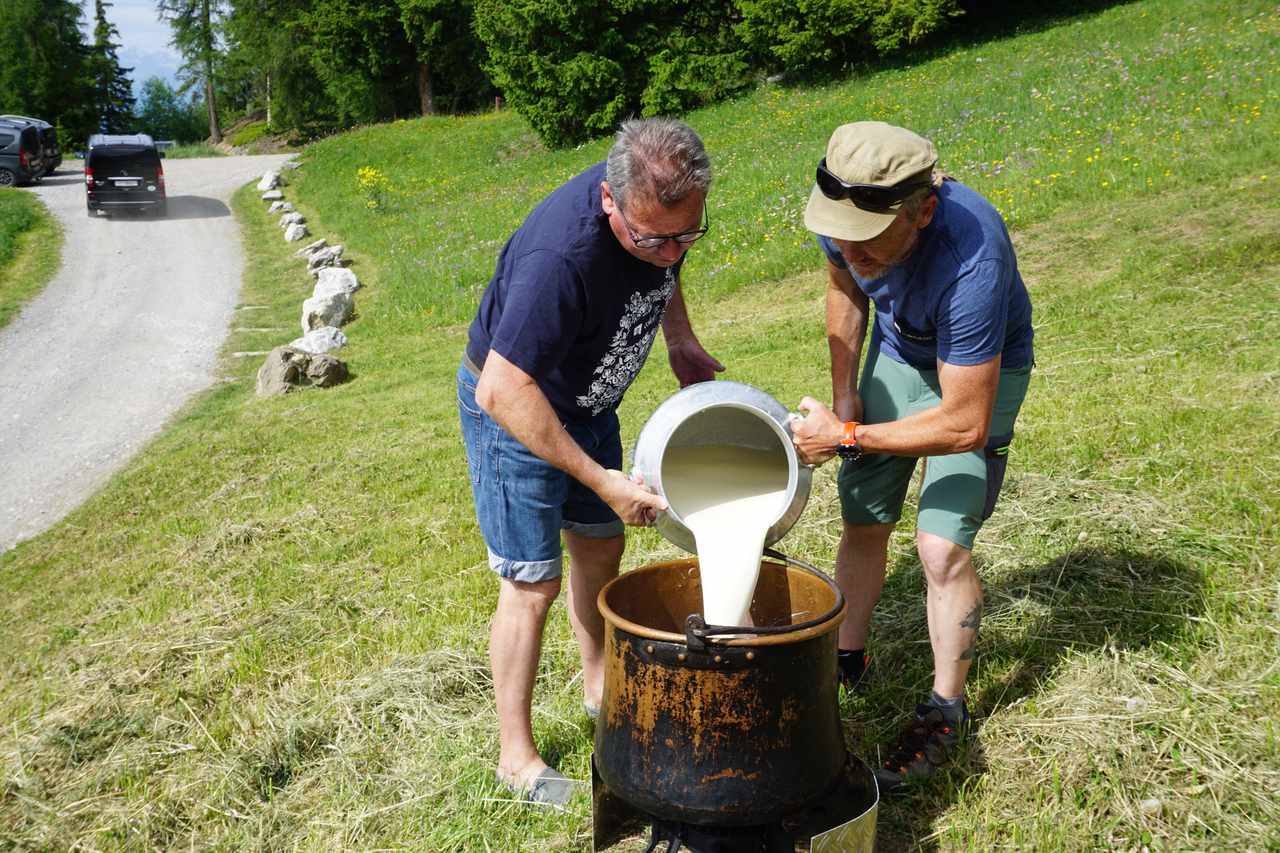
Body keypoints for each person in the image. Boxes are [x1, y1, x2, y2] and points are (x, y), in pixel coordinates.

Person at [457, 117, 723, 806]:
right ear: (610, 201)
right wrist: (600, 477)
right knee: (531, 582)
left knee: (602, 549)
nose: (671, 252)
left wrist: (681, 340)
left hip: (589, 399)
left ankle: (599, 687)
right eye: (652, 237)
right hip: (519, 407)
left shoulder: (664, 214)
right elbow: (500, 386)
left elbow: (664, 269)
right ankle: (515, 759)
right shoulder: (562, 259)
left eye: (687, 235)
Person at [791, 121, 1034, 792]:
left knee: (940, 547)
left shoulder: (971, 255)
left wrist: (843, 438)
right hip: (900, 354)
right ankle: (846, 657)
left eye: (865, 236)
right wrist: (846, 398)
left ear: (921, 210)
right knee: (864, 514)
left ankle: (945, 709)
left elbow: (962, 423)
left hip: (979, 376)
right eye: (837, 230)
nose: (846, 245)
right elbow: (843, 287)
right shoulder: (847, 210)